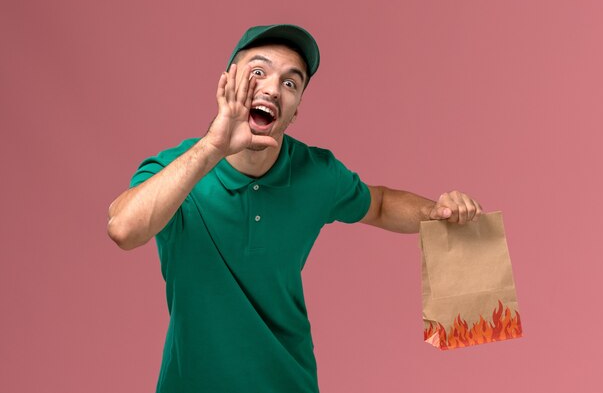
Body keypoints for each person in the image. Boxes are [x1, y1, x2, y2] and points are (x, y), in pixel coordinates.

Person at [107, 24, 483, 393]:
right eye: (258, 72)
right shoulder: (176, 170)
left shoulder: (316, 174)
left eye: (290, 83)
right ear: (227, 85)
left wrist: (437, 212)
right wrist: (212, 148)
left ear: (296, 109)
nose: (272, 88)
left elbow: (380, 204)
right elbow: (123, 229)